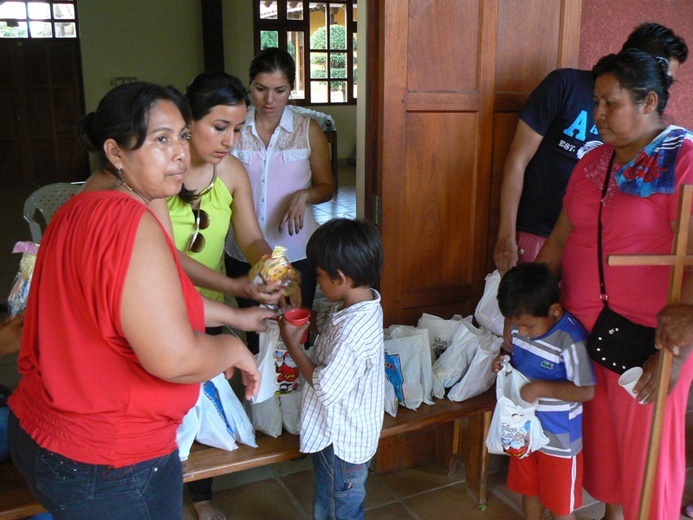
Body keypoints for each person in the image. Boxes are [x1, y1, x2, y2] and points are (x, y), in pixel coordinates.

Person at [7, 82, 266, 519]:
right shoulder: (130, 223)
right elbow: (177, 358)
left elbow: (150, 308)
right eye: (161, 140)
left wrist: (238, 315)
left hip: (41, 435)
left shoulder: (73, 211)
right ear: (115, 152)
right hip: (108, 464)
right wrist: (232, 348)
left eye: (183, 136)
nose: (180, 153)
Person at [535, 49, 693, 520]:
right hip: (585, 332)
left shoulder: (683, 160)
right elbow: (563, 236)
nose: (597, 114)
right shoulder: (593, 161)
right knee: (603, 445)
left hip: (651, 340)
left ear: (648, 102)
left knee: (646, 458)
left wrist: (676, 346)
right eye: (596, 102)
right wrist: (534, 304)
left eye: (610, 103)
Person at [149, 70, 287, 520]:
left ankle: (203, 494)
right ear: (189, 121)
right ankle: (161, 485)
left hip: (206, 303)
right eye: (219, 127)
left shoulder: (231, 172)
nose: (230, 139)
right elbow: (167, 255)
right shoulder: (161, 171)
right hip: (159, 301)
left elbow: (249, 236)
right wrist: (235, 289)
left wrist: (271, 267)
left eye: (238, 128)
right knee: (165, 393)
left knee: (209, 391)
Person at [493, 22, 688, 274]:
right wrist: (505, 236)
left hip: (590, 245)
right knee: (529, 304)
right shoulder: (565, 85)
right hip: (538, 234)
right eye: (664, 80)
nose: (664, 91)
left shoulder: (657, 135)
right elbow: (518, 159)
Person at [225, 47, 335, 352]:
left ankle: (297, 396)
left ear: (291, 89)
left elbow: (327, 186)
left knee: (296, 332)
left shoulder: (307, 130)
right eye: (260, 89)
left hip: (297, 250)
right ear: (250, 85)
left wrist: (305, 194)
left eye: (280, 90)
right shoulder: (234, 130)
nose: (269, 100)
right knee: (257, 335)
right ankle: (260, 397)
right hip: (243, 250)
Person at [277, 218, 384, 520]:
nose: (318, 281)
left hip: (340, 441)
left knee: (337, 510)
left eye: (320, 275)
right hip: (343, 433)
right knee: (334, 503)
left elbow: (324, 386)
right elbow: (325, 322)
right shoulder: (360, 304)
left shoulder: (352, 333)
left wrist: (292, 345)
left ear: (339, 277)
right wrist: (300, 316)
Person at [492, 262, 595, 520]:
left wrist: (540, 388)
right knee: (529, 490)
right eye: (516, 325)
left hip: (559, 439)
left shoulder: (569, 339)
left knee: (560, 504)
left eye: (527, 326)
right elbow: (519, 359)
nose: (521, 332)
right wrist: (503, 359)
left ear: (554, 310)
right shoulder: (522, 324)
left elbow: (586, 391)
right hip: (524, 431)